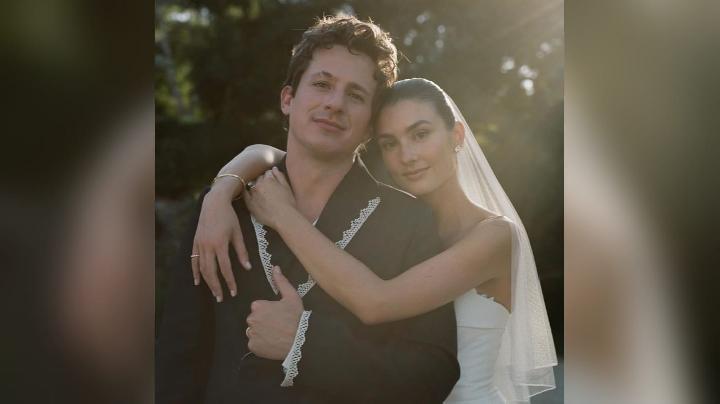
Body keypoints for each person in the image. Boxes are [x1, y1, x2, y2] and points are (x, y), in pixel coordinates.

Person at [156, 15, 460, 404]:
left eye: (355, 95)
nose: (334, 103)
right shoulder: (223, 207)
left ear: (370, 125)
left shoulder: (409, 221)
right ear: (287, 99)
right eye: (321, 84)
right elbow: (177, 359)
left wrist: (305, 343)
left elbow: (432, 376)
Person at [194, 78, 558, 403]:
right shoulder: (392, 229)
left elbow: (376, 302)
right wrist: (221, 191)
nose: (407, 156)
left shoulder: (495, 236)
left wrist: (283, 215)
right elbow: (275, 154)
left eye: (420, 134)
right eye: (389, 143)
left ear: (457, 136)